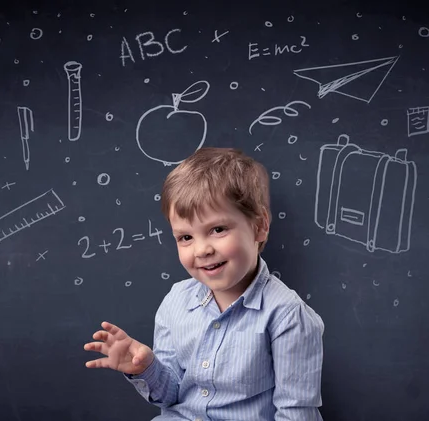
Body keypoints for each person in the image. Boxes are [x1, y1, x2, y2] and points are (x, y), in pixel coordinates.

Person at [84, 147, 325, 420]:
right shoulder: (176, 301)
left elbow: (296, 414)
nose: (201, 250)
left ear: (259, 226)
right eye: (185, 237)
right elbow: (172, 395)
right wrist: (144, 367)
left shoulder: (287, 315)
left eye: (218, 229)